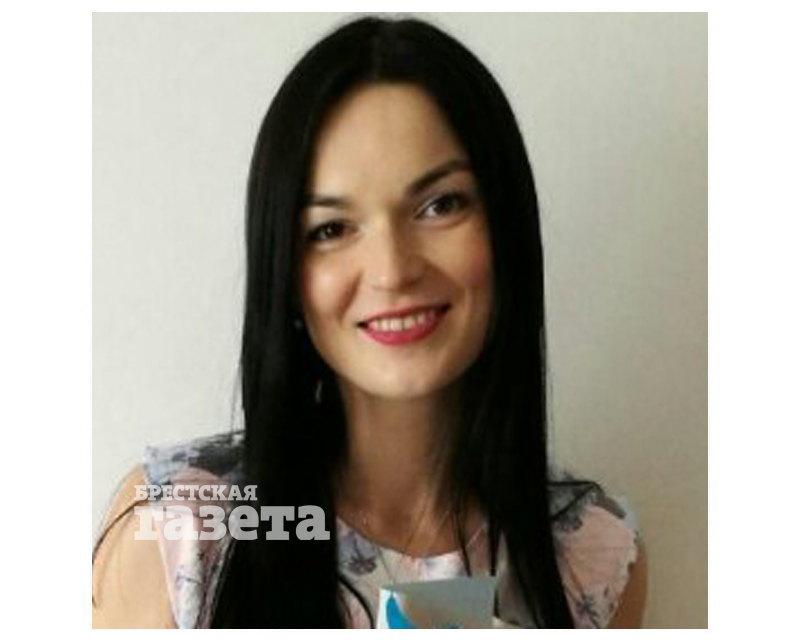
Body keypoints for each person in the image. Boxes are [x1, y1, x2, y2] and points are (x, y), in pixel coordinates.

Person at [92, 16, 647, 629]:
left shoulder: (591, 555)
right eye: (331, 229)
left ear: (506, 227)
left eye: (440, 205)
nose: (392, 270)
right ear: (287, 273)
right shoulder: (182, 527)